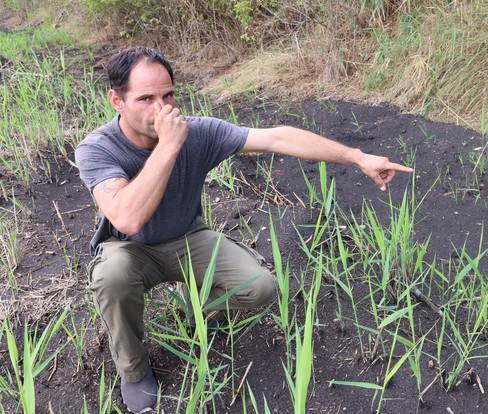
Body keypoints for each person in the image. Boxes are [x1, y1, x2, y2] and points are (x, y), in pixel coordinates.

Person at [75, 46, 412, 413]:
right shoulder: (98, 148)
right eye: (146, 98)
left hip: (188, 237)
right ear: (116, 100)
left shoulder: (198, 131)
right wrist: (168, 147)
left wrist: (358, 157)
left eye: (168, 95)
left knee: (259, 287)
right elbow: (127, 218)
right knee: (112, 277)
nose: (163, 109)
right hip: (130, 248)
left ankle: (202, 313)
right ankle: (134, 369)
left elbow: (277, 138)